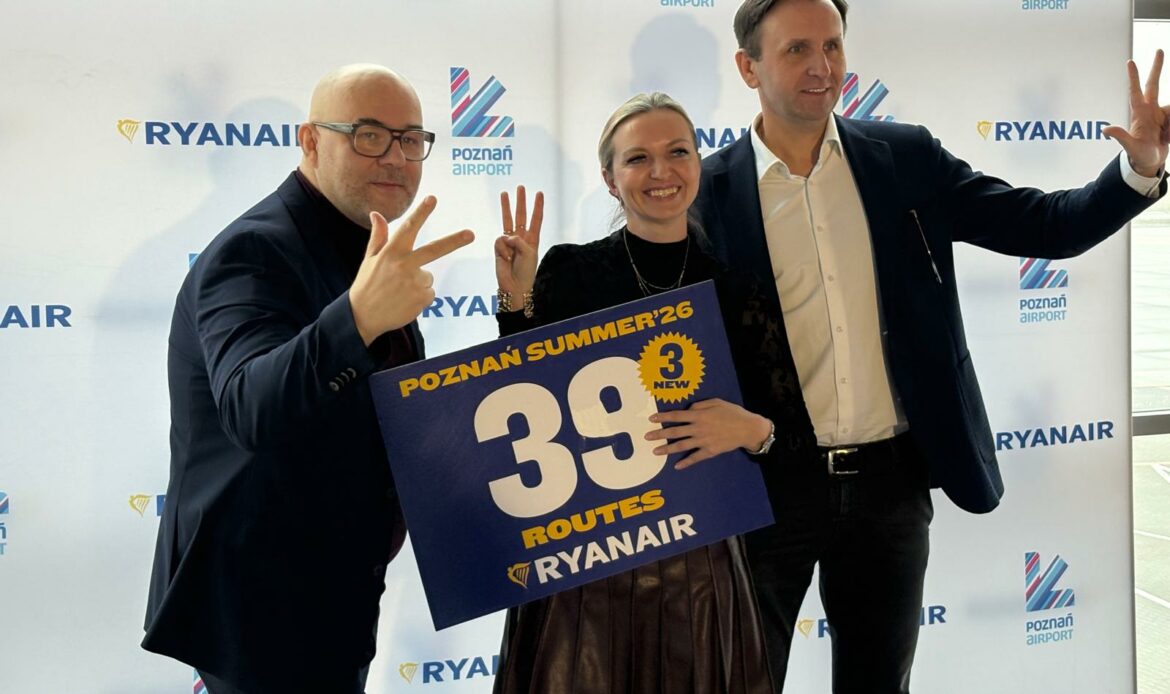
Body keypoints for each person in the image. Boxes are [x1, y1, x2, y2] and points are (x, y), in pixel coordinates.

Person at [694, 1, 1170, 692]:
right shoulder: (705, 193)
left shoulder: (905, 158)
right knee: (738, 679)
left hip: (889, 487)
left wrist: (1138, 170)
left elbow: (1045, 226)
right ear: (748, 67)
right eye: (797, 49)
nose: (823, 66)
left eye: (832, 45)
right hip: (767, 486)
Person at [141, 64, 474, 694]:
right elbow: (251, 408)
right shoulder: (253, 250)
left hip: (335, 587)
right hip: (262, 604)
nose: (396, 157)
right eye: (369, 135)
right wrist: (358, 319)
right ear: (311, 141)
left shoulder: (366, 244)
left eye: (410, 140)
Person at [490, 93, 785, 693]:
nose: (660, 172)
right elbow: (518, 400)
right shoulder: (570, 270)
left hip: (699, 567)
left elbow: (786, 430)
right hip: (583, 565)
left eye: (677, 152)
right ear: (610, 179)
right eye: (637, 158)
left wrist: (753, 431)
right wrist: (516, 298)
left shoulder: (736, 286)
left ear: (698, 163)